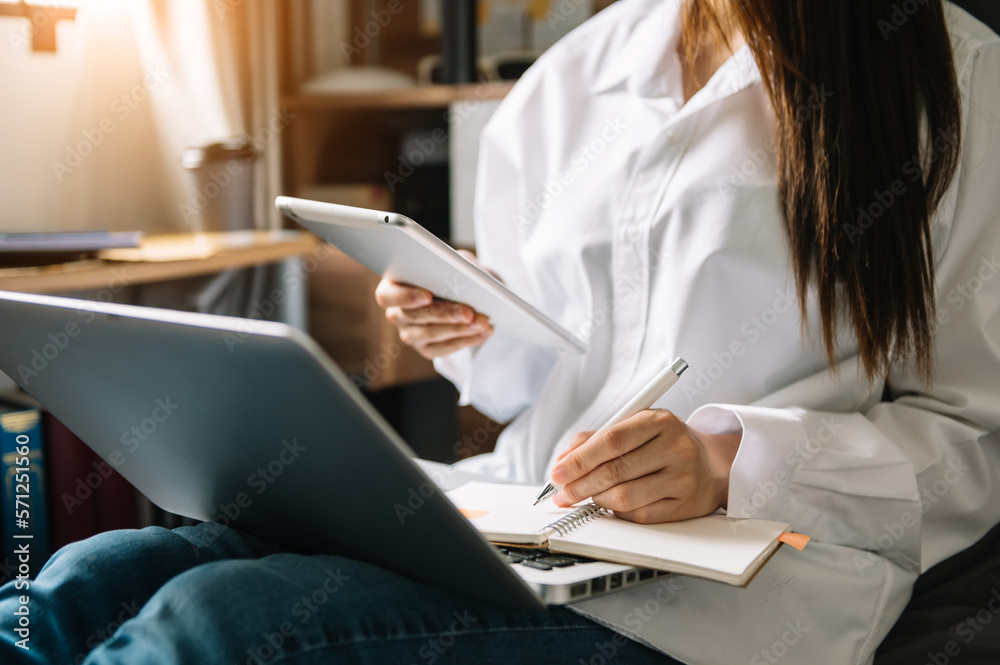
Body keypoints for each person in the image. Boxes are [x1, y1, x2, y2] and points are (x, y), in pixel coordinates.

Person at [3, 1, 999, 663]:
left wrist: (731, 458)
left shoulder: (954, 76)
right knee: (88, 577)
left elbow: (976, 433)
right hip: (523, 520)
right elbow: (542, 381)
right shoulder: (578, 71)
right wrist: (466, 326)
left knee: (215, 624)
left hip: (731, 591)